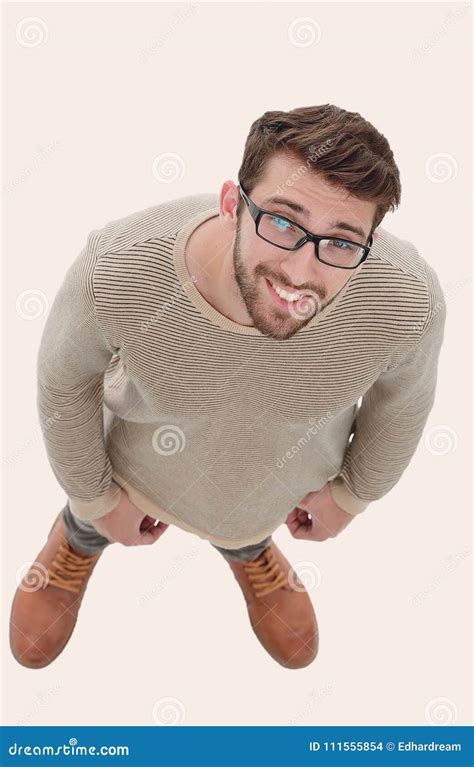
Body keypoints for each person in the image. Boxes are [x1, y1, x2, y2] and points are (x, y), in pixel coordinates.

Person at [9, 104, 446, 671]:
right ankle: (78, 536)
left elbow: (403, 408)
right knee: (91, 519)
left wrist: (353, 495)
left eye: (340, 240)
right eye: (283, 221)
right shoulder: (118, 267)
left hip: (272, 483)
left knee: (242, 515)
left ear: (370, 241)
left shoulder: (407, 301)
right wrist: (95, 500)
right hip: (134, 471)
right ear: (231, 203)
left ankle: (246, 541)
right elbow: (64, 387)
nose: (300, 271)